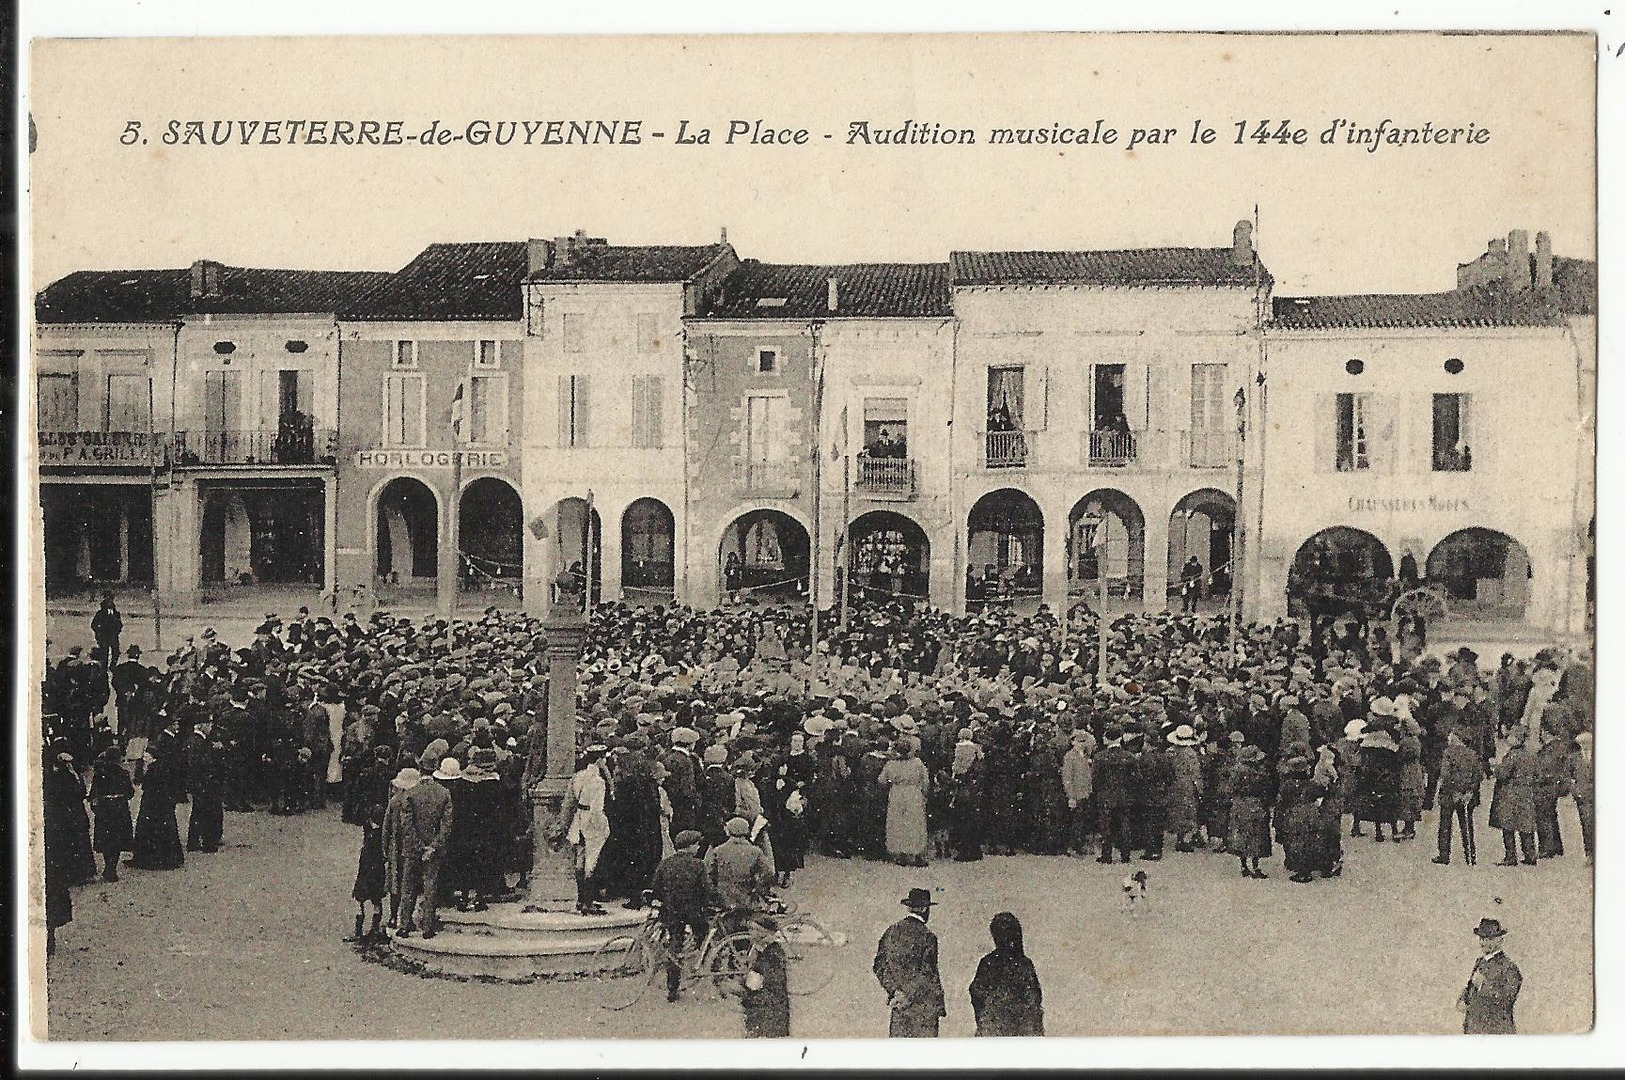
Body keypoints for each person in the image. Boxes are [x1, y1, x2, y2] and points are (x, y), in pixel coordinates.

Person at [873, 887, 947, 1038]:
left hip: (899, 1007)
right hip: (923, 1009)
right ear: (924, 909)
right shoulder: (928, 936)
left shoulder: (891, 931)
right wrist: (908, 994)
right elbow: (927, 974)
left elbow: (879, 965)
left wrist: (895, 991)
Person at [395, 757, 456, 938]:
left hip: (412, 849)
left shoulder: (410, 793)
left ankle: (404, 925)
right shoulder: (444, 793)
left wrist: (419, 846)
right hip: (434, 851)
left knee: (408, 887)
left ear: (420, 770)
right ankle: (427, 928)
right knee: (430, 887)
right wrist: (433, 847)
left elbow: (406, 825)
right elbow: (447, 825)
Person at [650, 829, 709, 1003]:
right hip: (693, 911)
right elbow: (705, 890)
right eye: (697, 844)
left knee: (675, 944)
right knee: (704, 938)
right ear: (690, 846)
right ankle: (704, 968)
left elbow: (656, 888)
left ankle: (672, 988)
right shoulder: (698, 865)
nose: (698, 848)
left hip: (672, 912)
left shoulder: (665, 864)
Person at [968, 911, 1044, 1036]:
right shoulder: (1024, 964)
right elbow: (1035, 1000)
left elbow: (976, 993)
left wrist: (984, 1019)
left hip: (994, 1030)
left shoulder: (988, 962)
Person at [561, 744, 612, 915]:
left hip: (579, 820)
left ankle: (580, 900)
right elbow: (597, 809)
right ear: (599, 760)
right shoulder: (599, 782)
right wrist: (602, 827)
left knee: (579, 860)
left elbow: (572, 799)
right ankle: (588, 902)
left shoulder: (578, 776)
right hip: (592, 822)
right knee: (592, 862)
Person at [129, 732, 185, 870]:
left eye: (147, 754)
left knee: (151, 829)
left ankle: (151, 858)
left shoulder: (154, 769)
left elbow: (145, 785)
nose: (144, 757)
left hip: (152, 803)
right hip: (161, 804)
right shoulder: (161, 767)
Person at [1458, 918, 1522, 1034]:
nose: (1484, 943)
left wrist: (1483, 985)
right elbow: (1471, 988)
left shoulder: (1509, 967)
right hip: (1473, 1028)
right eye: (1482, 938)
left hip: (1496, 1030)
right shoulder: (1479, 962)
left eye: (1490, 939)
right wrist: (1463, 999)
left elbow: (1508, 999)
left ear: (1500, 940)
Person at [1433, 729, 1484, 866]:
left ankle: (1444, 855)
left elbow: (1445, 775)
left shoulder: (1448, 753)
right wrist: (1469, 791)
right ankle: (1470, 855)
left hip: (1450, 795)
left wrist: (1454, 791)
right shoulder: (1473, 754)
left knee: (1445, 823)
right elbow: (1478, 775)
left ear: (1456, 738)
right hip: (1468, 796)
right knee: (1467, 825)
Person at [705, 816, 773, 917]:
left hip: (724, 899)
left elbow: (710, 874)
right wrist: (758, 888)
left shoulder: (718, 851)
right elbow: (768, 872)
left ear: (729, 831)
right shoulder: (755, 851)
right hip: (748, 897)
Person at [1489, 728, 1538, 867]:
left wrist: (1495, 767)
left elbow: (1503, 773)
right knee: (1525, 826)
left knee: (1508, 826)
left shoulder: (1513, 755)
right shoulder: (1530, 755)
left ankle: (1510, 856)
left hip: (1510, 794)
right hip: (1526, 793)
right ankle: (1530, 855)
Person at [879, 739, 929, 867]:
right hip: (913, 792)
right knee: (915, 821)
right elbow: (925, 780)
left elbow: (882, 780)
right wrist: (923, 793)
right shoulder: (917, 763)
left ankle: (900, 853)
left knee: (898, 822)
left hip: (897, 792)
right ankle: (917, 854)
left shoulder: (891, 764)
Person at [89, 745, 135, 881]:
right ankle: (111, 868)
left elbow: (94, 792)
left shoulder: (100, 773)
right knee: (117, 838)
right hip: (119, 808)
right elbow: (130, 793)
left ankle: (108, 866)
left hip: (105, 808)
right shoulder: (123, 773)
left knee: (106, 838)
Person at [183, 718, 226, 853]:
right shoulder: (198, 742)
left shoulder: (196, 740)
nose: (211, 726)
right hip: (204, 782)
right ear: (201, 725)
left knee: (198, 810)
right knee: (205, 810)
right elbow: (203, 763)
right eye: (209, 724)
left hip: (200, 782)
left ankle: (194, 840)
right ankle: (206, 841)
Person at [348, 800, 387, 945]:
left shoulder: (370, 835)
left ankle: (358, 932)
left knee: (359, 900)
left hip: (365, 872)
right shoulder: (382, 834)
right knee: (377, 901)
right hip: (377, 872)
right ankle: (374, 930)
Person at [742, 937, 792, 1038]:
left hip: (766, 1016)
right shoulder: (773, 952)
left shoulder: (768, 958)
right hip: (775, 1016)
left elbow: (754, 984)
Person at [91, 593, 122, 671]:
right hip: (104, 637)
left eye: (111, 600)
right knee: (104, 653)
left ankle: (112, 666)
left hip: (113, 636)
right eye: (108, 600)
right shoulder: (100, 614)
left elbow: (119, 624)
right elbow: (94, 625)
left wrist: (117, 631)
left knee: (116, 652)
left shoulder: (116, 613)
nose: (109, 602)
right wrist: (99, 632)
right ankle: (103, 667)